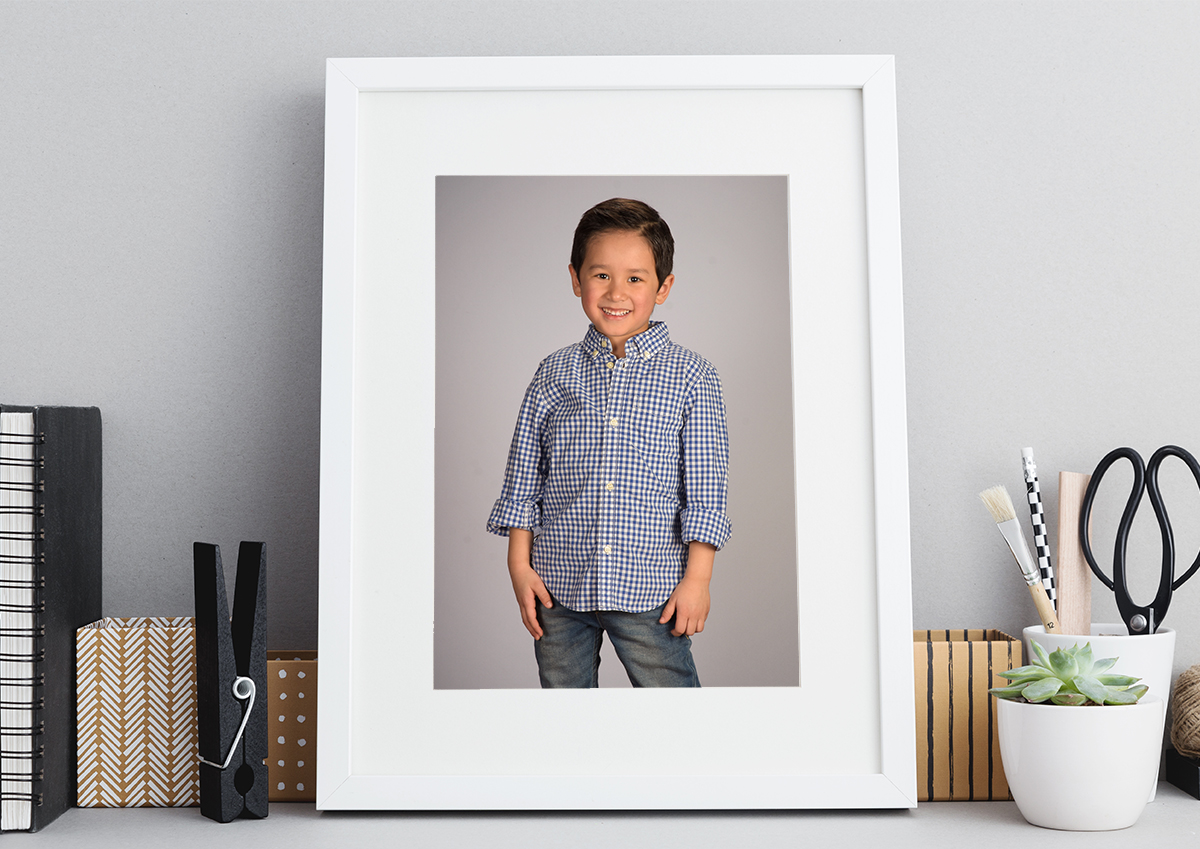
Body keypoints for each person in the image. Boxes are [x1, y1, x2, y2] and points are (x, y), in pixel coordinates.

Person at [486, 198, 732, 688]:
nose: (616, 292)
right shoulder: (553, 373)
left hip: (651, 591)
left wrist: (698, 579)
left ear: (663, 287)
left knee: (675, 720)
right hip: (558, 587)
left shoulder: (692, 376)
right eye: (601, 276)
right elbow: (524, 477)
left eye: (636, 279)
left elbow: (706, 489)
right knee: (567, 717)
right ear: (576, 279)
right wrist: (519, 565)